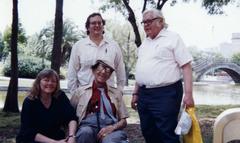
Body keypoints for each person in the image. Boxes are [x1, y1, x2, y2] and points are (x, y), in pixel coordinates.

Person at [131, 9, 195, 143]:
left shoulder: (173, 38)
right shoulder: (145, 44)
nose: (146, 25)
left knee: (167, 133)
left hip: (166, 93)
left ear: (161, 21)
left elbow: (186, 66)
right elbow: (141, 68)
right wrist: (135, 93)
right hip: (144, 94)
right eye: (144, 22)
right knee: (148, 131)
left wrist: (188, 94)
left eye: (149, 21)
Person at [70, 59, 129, 143]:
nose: (103, 72)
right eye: (100, 69)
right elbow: (70, 116)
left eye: (108, 71)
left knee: (110, 140)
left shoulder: (116, 93)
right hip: (87, 126)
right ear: (93, 70)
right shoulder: (80, 92)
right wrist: (71, 135)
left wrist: (112, 128)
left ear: (110, 75)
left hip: (111, 127)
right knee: (85, 133)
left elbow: (124, 121)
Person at [67, 12, 126, 95]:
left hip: (108, 95)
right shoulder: (78, 46)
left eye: (99, 23)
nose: (97, 25)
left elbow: (121, 71)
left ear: (103, 25)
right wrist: (75, 94)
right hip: (84, 94)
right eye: (93, 23)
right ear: (88, 27)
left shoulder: (114, 46)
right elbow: (72, 73)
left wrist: (119, 91)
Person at [16, 69, 78, 143]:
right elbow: (28, 131)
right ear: (38, 82)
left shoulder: (60, 97)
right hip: (32, 139)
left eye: (53, 81)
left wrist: (71, 136)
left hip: (55, 136)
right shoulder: (29, 101)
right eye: (46, 80)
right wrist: (55, 142)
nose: (50, 83)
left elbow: (72, 117)